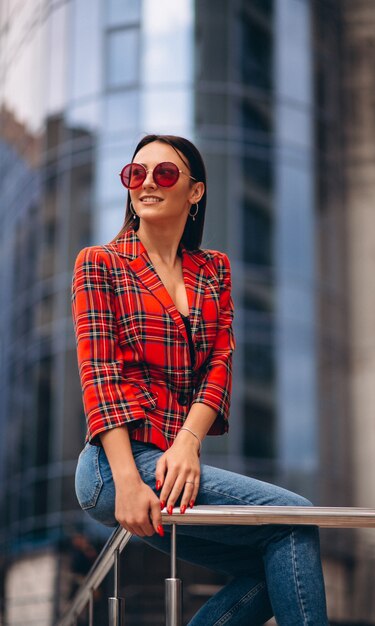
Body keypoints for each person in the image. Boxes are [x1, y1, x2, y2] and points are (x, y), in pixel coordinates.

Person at [72, 133, 329, 625]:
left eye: (164, 173)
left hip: (171, 464)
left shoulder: (214, 271)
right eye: (135, 173)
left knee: (273, 566)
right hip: (115, 466)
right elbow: (99, 373)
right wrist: (127, 480)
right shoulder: (100, 263)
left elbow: (219, 365)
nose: (146, 183)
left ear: (195, 191)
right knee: (293, 519)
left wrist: (189, 443)